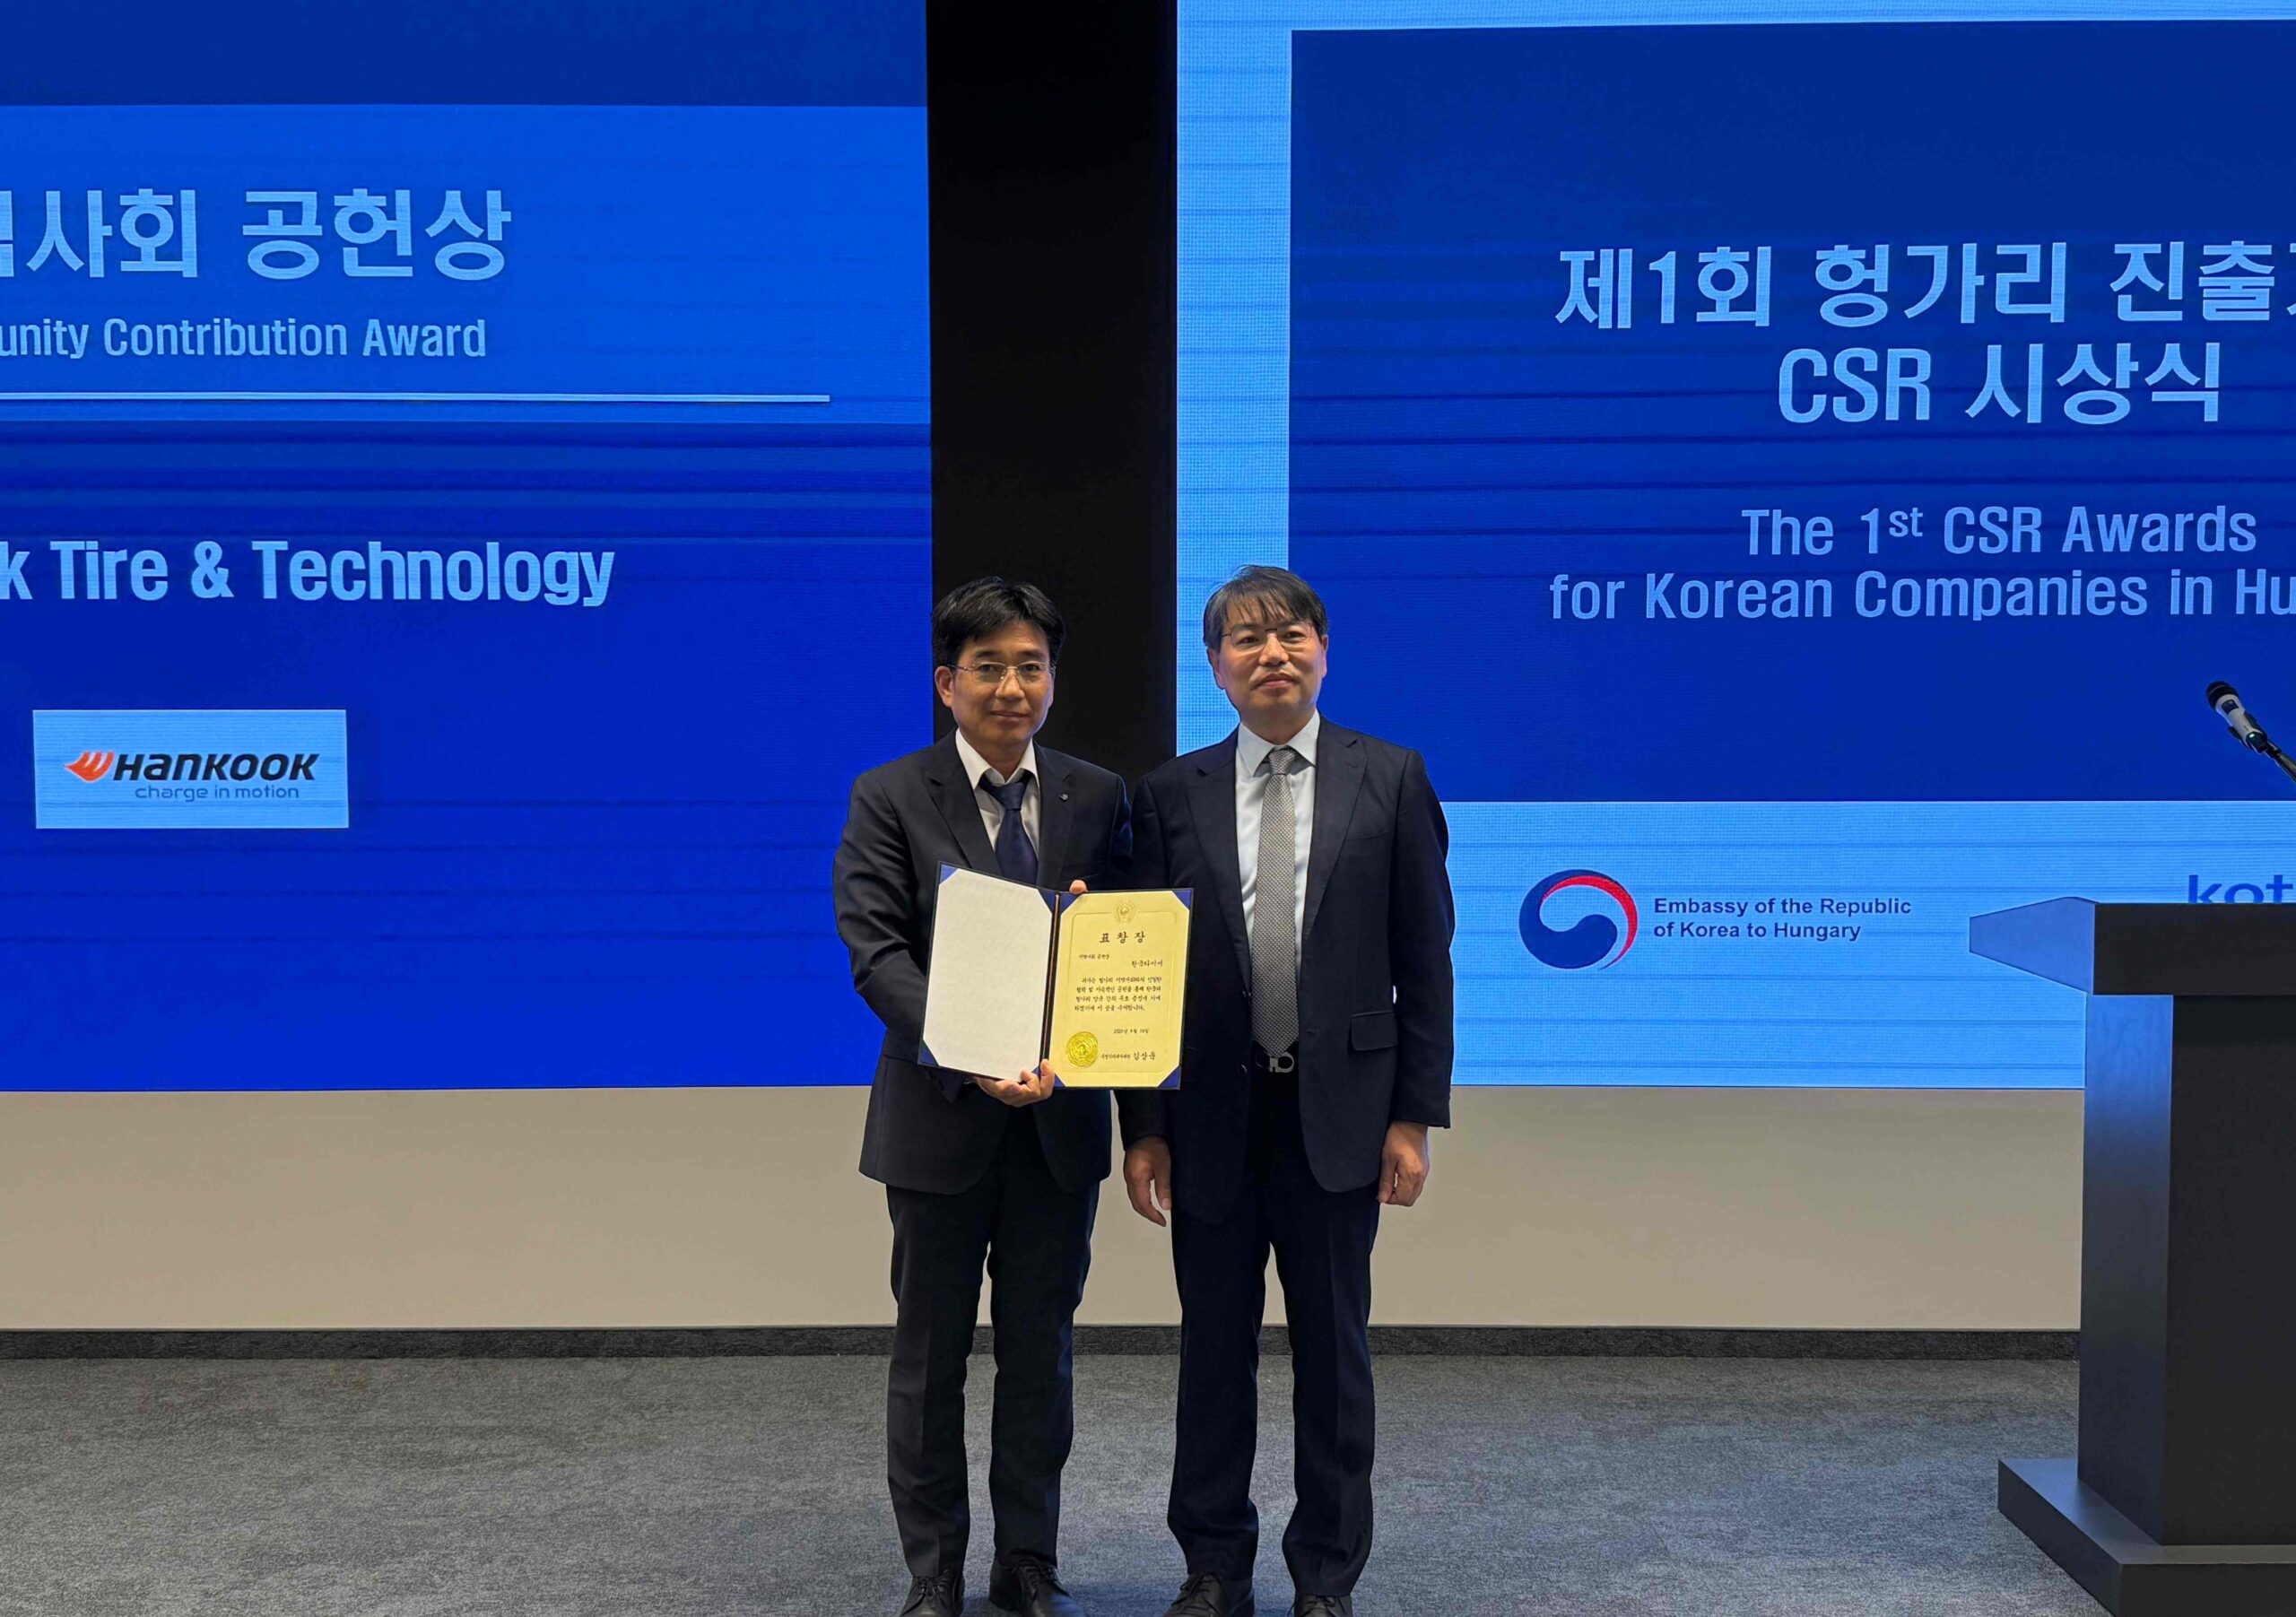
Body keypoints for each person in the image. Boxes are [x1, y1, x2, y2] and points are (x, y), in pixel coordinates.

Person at [1118, 565, 1454, 1617]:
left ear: (1324, 650)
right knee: (1211, 1356)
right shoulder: (1168, 793)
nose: (1272, 654)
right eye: (1247, 639)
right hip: (1211, 1119)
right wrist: (1143, 1127)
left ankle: (1326, 1577)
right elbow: (1139, 971)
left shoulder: (1390, 776)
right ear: (1215, 667)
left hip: (1341, 1117)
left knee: (1334, 1358)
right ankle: (1213, 1567)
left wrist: (1412, 1116)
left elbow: (1425, 960)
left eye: (1292, 634)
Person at [834, 578, 1131, 1617]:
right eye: (988, 667)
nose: (1012, 687)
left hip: (1059, 1121)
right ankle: (935, 1572)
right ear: (946, 683)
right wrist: (973, 1054)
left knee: (1040, 1355)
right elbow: (877, 953)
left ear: (1052, 678)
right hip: (938, 1119)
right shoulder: (890, 794)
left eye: (1030, 666)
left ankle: (1027, 1562)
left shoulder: (1099, 795)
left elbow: (1130, 952)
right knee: (931, 1357)